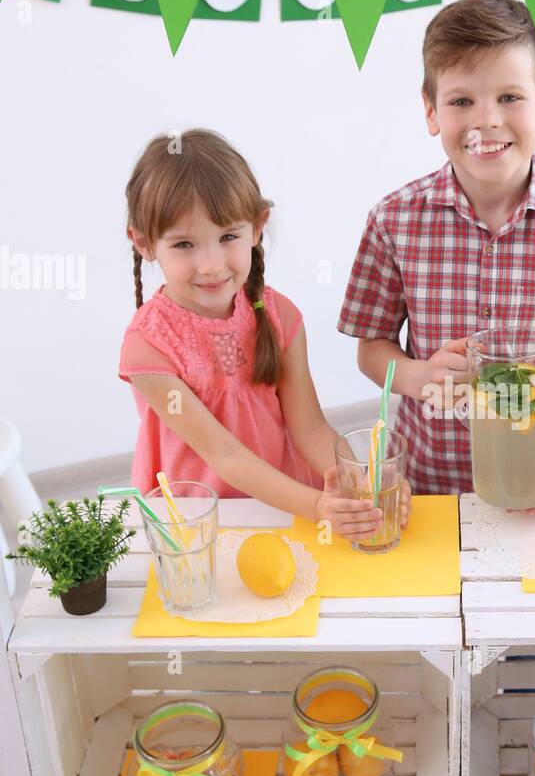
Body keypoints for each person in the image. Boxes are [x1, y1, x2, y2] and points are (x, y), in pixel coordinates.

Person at [338, 0, 535, 512]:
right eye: (461, 102)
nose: (486, 121)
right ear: (431, 112)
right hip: (430, 485)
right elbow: (373, 348)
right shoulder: (393, 222)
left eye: (509, 97)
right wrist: (413, 376)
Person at [120, 129, 407, 541]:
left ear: (257, 228)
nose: (210, 265)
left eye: (228, 237)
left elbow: (309, 428)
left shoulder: (279, 316)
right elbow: (223, 453)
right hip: (197, 524)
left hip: (283, 506)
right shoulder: (147, 346)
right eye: (184, 244)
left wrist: (365, 486)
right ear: (144, 243)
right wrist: (316, 507)